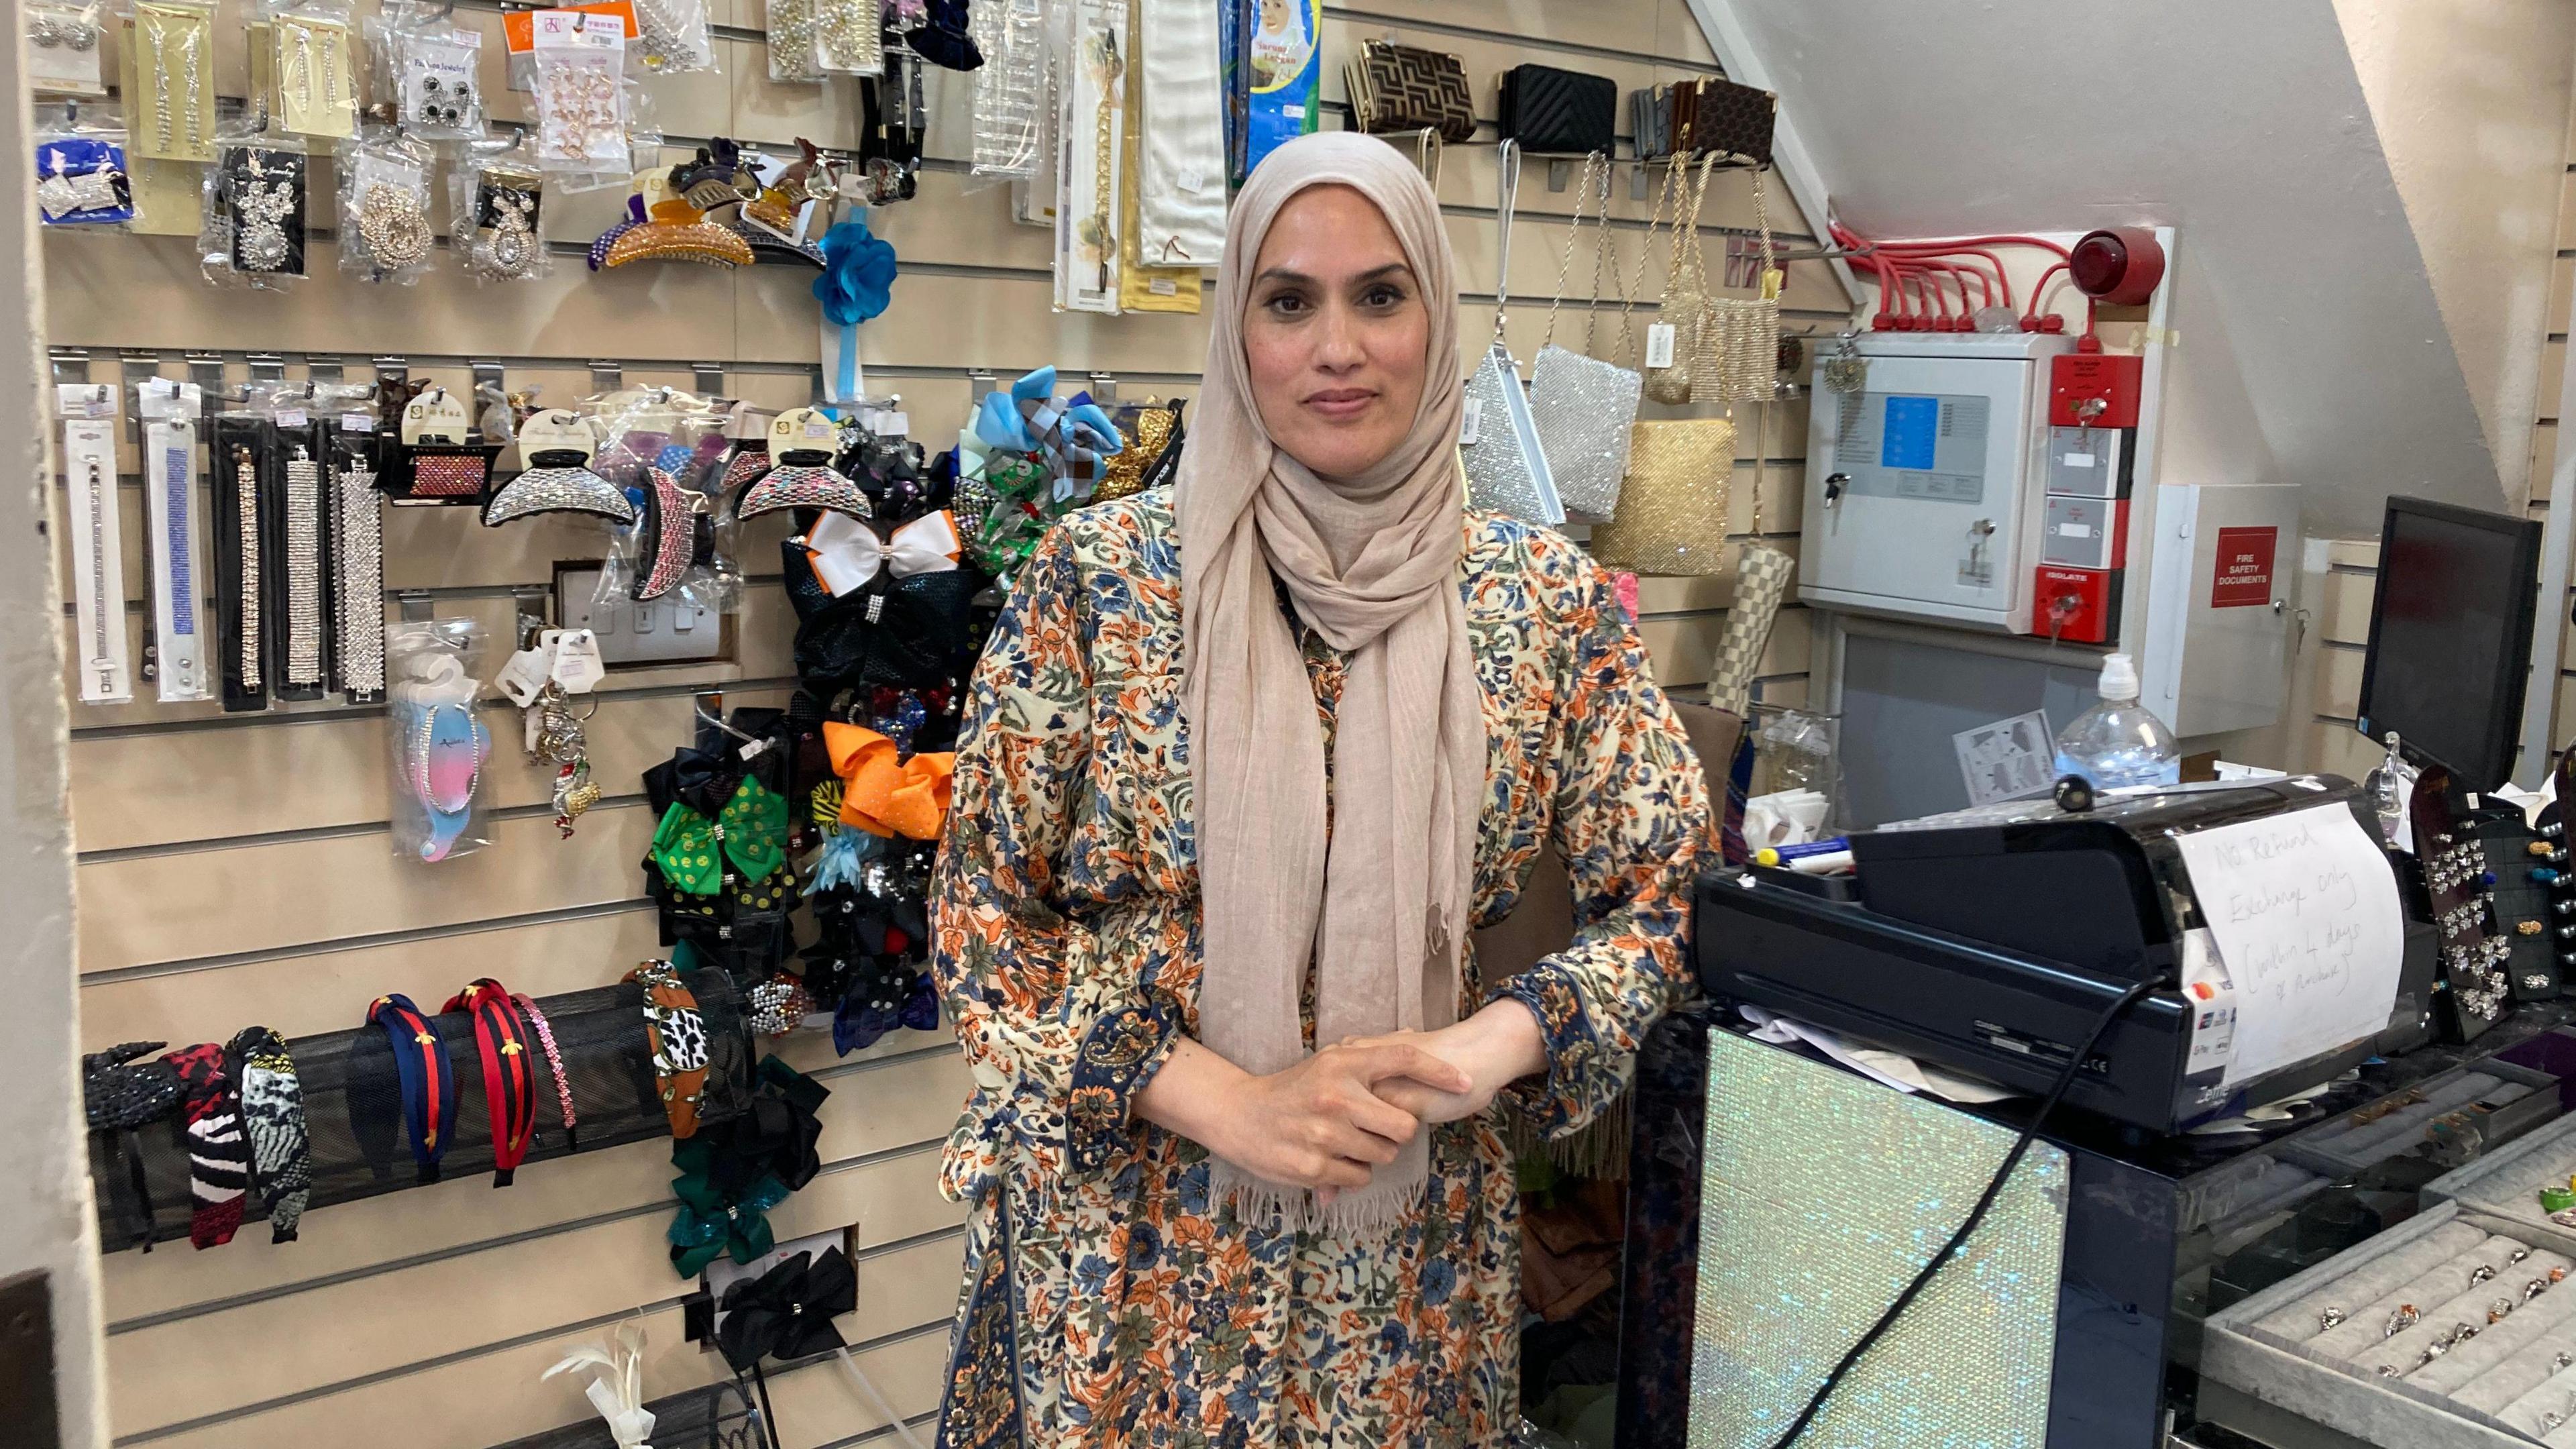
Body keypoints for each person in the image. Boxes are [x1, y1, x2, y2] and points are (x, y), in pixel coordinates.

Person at [930, 131, 1711, 1449]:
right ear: (1240, 329)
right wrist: (1232, 1102)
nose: (1336, 347)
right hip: (1133, 1270)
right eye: (1290, 301)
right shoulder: (1104, 581)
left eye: (1379, 295)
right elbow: (981, 924)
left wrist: (1488, 1048)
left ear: (1435, 318)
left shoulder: (1538, 603)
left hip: (1403, 1282)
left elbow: (1669, 890)